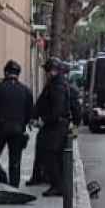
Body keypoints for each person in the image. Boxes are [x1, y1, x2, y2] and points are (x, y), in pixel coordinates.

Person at [0, 60, 34, 188]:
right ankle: (13, 188)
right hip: (18, 129)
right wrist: (22, 124)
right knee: (15, 161)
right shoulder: (26, 90)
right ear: (18, 74)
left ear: (5, 72)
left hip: (0, 129)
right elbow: (30, 113)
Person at [35, 57, 71, 197]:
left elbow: (57, 109)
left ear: (53, 70)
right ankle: (55, 183)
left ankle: (57, 186)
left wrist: (44, 120)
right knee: (49, 154)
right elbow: (42, 101)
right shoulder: (54, 83)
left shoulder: (58, 85)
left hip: (56, 126)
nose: (46, 73)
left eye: (47, 70)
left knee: (52, 155)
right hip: (54, 125)